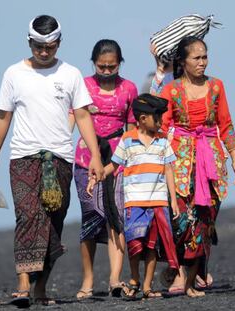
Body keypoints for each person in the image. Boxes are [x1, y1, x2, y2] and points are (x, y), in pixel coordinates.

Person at [0, 15, 104, 307]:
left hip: (60, 158)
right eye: (38, 46)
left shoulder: (71, 74)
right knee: (27, 215)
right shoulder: (14, 74)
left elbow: (83, 115)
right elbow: (3, 116)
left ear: (59, 43)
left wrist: (96, 158)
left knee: (52, 222)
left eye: (50, 46)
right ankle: (23, 283)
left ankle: (41, 288)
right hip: (23, 157)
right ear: (29, 43)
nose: (44, 51)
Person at [159, 36, 235, 298]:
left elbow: (225, 124)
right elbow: (162, 128)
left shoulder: (217, 86)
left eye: (204, 57)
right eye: (196, 58)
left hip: (212, 160)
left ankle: (192, 273)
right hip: (181, 161)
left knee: (206, 220)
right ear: (182, 62)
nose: (202, 62)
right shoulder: (171, 91)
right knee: (183, 220)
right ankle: (180, 272)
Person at [87, 93, 180, 299]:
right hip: (134, 203)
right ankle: (135, 278)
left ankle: (147, 285)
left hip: (158, 202)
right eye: (157, 118)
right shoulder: (128, 140)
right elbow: (114, 164)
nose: (160, 122)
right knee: (135, 244)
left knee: (152, 246)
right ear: (143, 119)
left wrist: (173, 200)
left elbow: (169, 170)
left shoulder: (163, 140)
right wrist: (97, 177)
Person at [72, 39, 138, 299]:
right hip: (84, 158)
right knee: (90, 216)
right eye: (102, 66)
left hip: (118, 158)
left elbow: (132, 127)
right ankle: (88, 279)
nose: (107, 71)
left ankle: (114, 279)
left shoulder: (129, 88)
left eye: (112, 66)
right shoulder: (83, 87)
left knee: (115, 217)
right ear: (93, 63)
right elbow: (73, 118)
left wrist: (128, 158)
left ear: (119, 63)